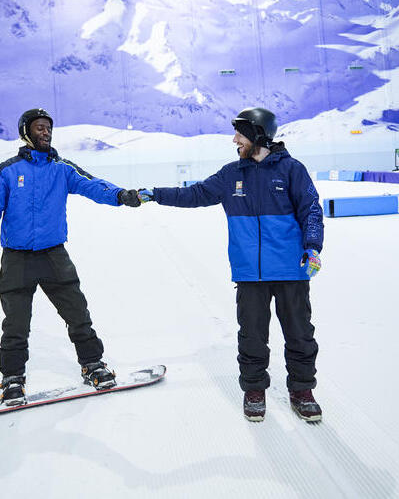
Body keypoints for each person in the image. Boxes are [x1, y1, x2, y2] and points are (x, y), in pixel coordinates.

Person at [138, 107, 324, 422]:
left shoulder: (293, 170)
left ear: (258, 134)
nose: (234, 139)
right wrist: (155, 194)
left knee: (300, 334)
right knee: (251, 336)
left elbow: (311, 210)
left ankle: (302, 390)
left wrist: (313, 247)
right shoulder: (231, 175)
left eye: (240, 133)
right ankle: (254, 390)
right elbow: (193, 194)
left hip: (292, 270)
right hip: (250, 273)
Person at [0, 108, 142, 405]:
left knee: (77, 312)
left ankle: (93, 364)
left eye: (48, 128)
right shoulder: (8, 170)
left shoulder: (61, 168)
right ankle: (12, 379)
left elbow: (93, 184)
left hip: (54, 255)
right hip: (17, 259)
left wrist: (119, 196)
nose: (45, 133)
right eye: (39, 128)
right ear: (26, 132)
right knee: (15, 323)